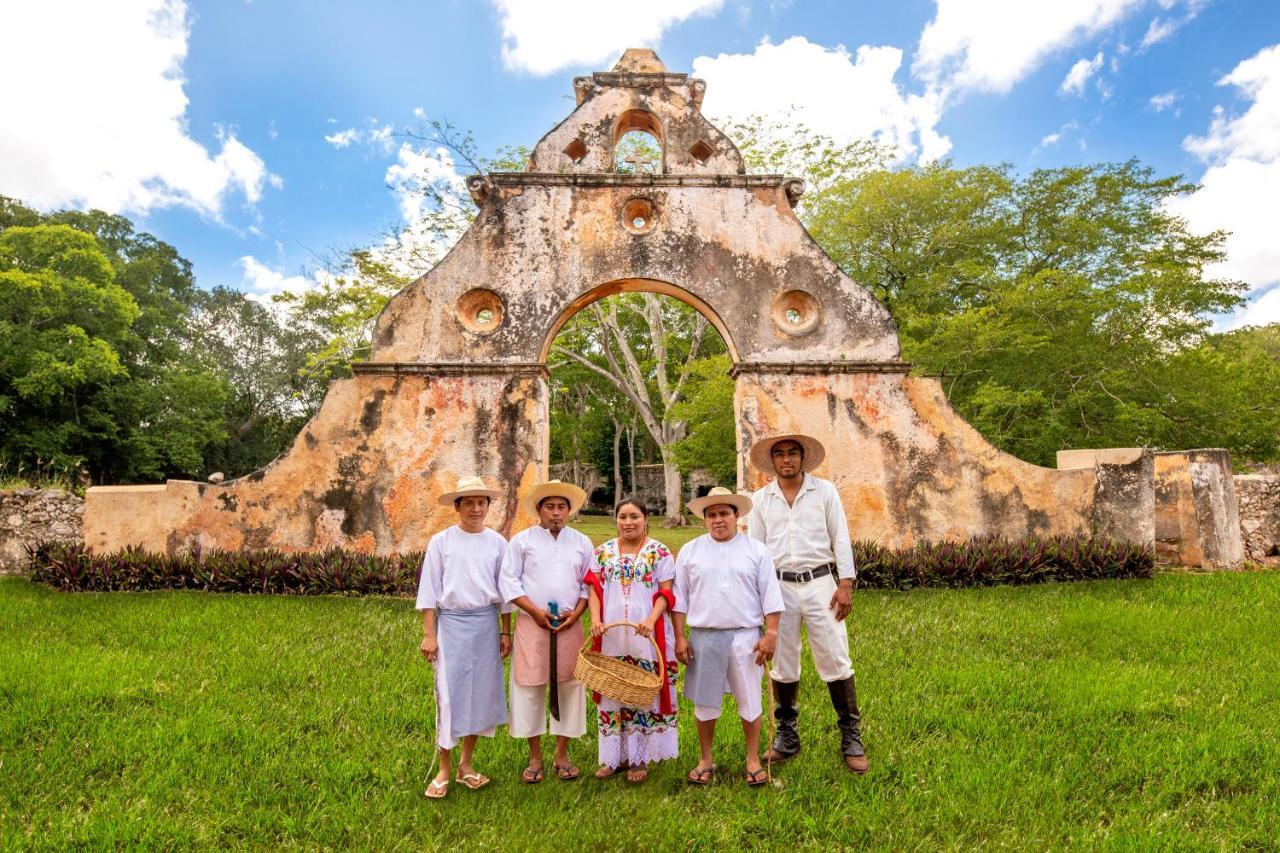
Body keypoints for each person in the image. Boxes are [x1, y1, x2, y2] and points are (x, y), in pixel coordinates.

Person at [747, 433, 869, 774]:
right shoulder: (761, 500)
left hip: (820, 584)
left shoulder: (824, 492)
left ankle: (851, 737)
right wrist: (757, 596)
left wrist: (845, 583)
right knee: (783, 662)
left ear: (803, 459)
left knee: (835, 657)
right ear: (772, 462)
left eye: (792, 454)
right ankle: (787, 736)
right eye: (780, 455)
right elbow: (756, 551)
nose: (786, 459)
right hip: (778, 587)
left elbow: (840, 536)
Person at [672, 486, 783, 788]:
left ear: (736, 516)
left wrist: (770, 634)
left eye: (724, 513)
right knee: (705, 703)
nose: (718, 520)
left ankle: (752, 759)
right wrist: (679, 638)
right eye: (712, 515)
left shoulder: (756, 551)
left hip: (745, 637)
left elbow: (771, 597)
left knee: (749, 700)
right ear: (705, 519)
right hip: (704, 636)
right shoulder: (690, 551)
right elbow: (679, 599)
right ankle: (706, 759)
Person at [416, 475, 513, 800]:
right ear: (457, 507)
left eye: (481, 502)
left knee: (479, 695)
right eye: (468, 502)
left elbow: (504, 595)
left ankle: (466, 765)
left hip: (486, 625)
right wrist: (430, 635)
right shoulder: (441, 542)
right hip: (452, 626)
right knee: (450, 695)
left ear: (488, 506)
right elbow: (429, 592)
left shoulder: (498, 544)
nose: (475, 508)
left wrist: (505, 630)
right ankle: (444, 768)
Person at [499, 480, 593, 783]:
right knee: (530, 685)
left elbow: (587, 584)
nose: (556, 512)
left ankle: (562, 754)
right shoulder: (522, 541)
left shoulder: (581, 542)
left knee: (569, 686)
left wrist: (576, 613)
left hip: (569, 624)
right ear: (539, 510)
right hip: (532, 623)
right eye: (550, 507)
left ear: (569, 510)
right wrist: (535, 612)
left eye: (562, 507)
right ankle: (535, 756)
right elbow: (509, 582)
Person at [583, 497, 678, 784]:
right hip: (612, 634)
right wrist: (596, 620)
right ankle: (615, 758)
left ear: (646, 518)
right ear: (616, 520)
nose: (628, 522)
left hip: (646, 635)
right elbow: (594, 590)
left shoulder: (659, 552)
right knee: (613, 690)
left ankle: (639, 758)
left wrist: (651, 620)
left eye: (634, 516)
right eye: (622, 517)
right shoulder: (603, 553)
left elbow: (666, 593)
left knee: (641, 690)